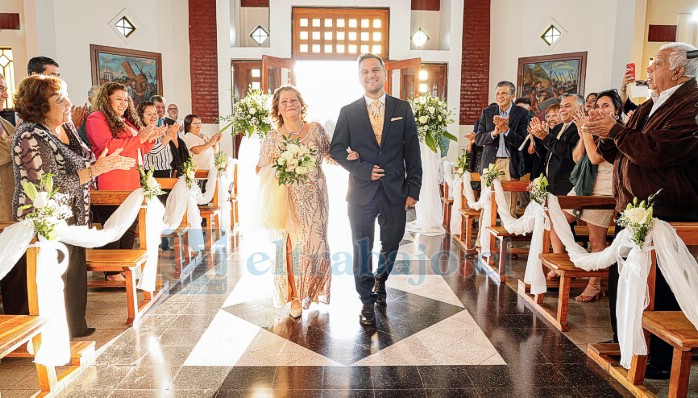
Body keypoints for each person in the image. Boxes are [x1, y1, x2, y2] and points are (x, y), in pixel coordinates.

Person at [585, 42, 698, 380]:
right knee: (623, 278)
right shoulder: (650, 104)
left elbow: (658, 152)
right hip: (633, 209)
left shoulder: (690, 105)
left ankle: (659, 358)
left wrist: (615, 130)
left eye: (656, 64)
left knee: (659, 288)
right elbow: (619, 150)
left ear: (677, 71)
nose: (649, 71)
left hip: (666, 211)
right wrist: (603, 131)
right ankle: (625, 339)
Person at [5, 75, 133, 337]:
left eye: (65, 96)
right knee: (56, 273)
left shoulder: (64, 127)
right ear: (39, 105)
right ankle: (53, 333)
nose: (68, 104)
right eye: (59, 99)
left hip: (73, 212)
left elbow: (85, 157)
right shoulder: (30, 134)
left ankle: (74, 326)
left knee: (73, 272)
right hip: (46, 218)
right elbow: (48, 185)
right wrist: (95, 171)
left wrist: (102, 164)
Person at [330, 53, 422, 325]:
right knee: (362, 246)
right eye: (364, 72)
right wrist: (362, 168)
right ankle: (366, 301)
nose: (370, 76)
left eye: (375, 70)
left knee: (392, 242)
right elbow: (336, 149)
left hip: (395, 190)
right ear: (359, 78)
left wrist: (413, 189)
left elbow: (412, 152)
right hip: (360, 192)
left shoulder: (402, 109)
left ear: (384, 73)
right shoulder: (348, 112)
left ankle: (381, 278)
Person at [256, 85, 333, 318]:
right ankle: (295, 297)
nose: (289, 104)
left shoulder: (316, 130)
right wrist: (283, 166)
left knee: (316, 243)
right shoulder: (272, 137)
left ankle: (314, 289)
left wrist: (352, 158)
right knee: (290, 246)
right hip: (286, 198)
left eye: (293, 100)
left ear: (302, 104)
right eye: (284, 102)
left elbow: (330, 154)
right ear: (277, 109)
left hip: (316, 196)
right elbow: (259, 168)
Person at [547, 89, 621, 301]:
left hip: (605, 188)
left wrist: (586, 133)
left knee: (595, 238)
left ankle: (594, 283)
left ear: (616, 111)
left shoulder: (617, 131)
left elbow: (596, 158)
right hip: (585, 185)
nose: (600, 109)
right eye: (597, 106)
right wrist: (583, 132)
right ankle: (561, 264)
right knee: (558, 217)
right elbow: (578, 156)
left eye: (606, 106)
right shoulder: (591, 129)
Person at [86, 82, 161, 282]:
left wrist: (151, 138)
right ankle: (111, 271)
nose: (123, 103)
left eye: (125, 99)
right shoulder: (97, 118)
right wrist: (140, 139)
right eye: (118, 98)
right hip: (112, 179)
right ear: (106, 99)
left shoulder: (124, 121)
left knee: (129, 225)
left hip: (131, 180)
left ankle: (123, 266)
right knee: (114, 224)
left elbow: (139, 150)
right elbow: (108, 146)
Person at [474, 81, 529, 216]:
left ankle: (506, 236)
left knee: (509, 207)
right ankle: (484, 237)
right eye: (498, 93)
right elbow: (478, 139)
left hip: (510, 163)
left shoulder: (522, 113)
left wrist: (507, 131)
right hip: (490, 163)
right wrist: (494, 133)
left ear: (513, 95)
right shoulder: (487, 112)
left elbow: (523, 143)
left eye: (504, 93)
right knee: (487, 206)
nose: (500, 96)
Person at [529, 94, 583, 196]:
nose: (562, 110)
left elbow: (568, 152)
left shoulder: (579, 128)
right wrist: (537, 136)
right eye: (561, 107)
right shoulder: (558, 127)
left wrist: (545, 137)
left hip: (566, 185)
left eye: (567, 106)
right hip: (549, 182)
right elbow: (545, 154)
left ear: (580, 108)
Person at [138, 101, 180, 178]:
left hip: (166, 170)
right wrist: (169, 136)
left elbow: (174, 150)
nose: (154, 116)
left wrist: (173, 137)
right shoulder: (143, 131)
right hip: (151, 172)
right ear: (141, 116)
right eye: (149, 114)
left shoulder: (160, 128)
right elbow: (154, 151)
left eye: (155, 113)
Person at [0, 73, 15, 222]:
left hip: (10, 200)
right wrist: (15, 138)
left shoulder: (4, 122)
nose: (5, 95)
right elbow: (2, 154)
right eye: (0, 89)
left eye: (5, 89)